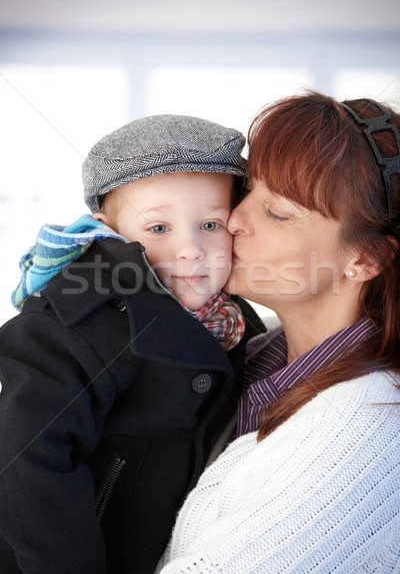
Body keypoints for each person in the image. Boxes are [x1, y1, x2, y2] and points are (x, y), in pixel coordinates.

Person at [0, 114, 266, 574]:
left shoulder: (238, 320)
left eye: (210, 225)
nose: (190, 249)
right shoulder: (74, 324)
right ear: (109, 233)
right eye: (158, 229)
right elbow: (26, 461)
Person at [158, 92, 400, 573]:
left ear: (366, 259)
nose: (234, 219)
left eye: (279, 213)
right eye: (251, 191)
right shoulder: (249, 350)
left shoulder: (368, 426)